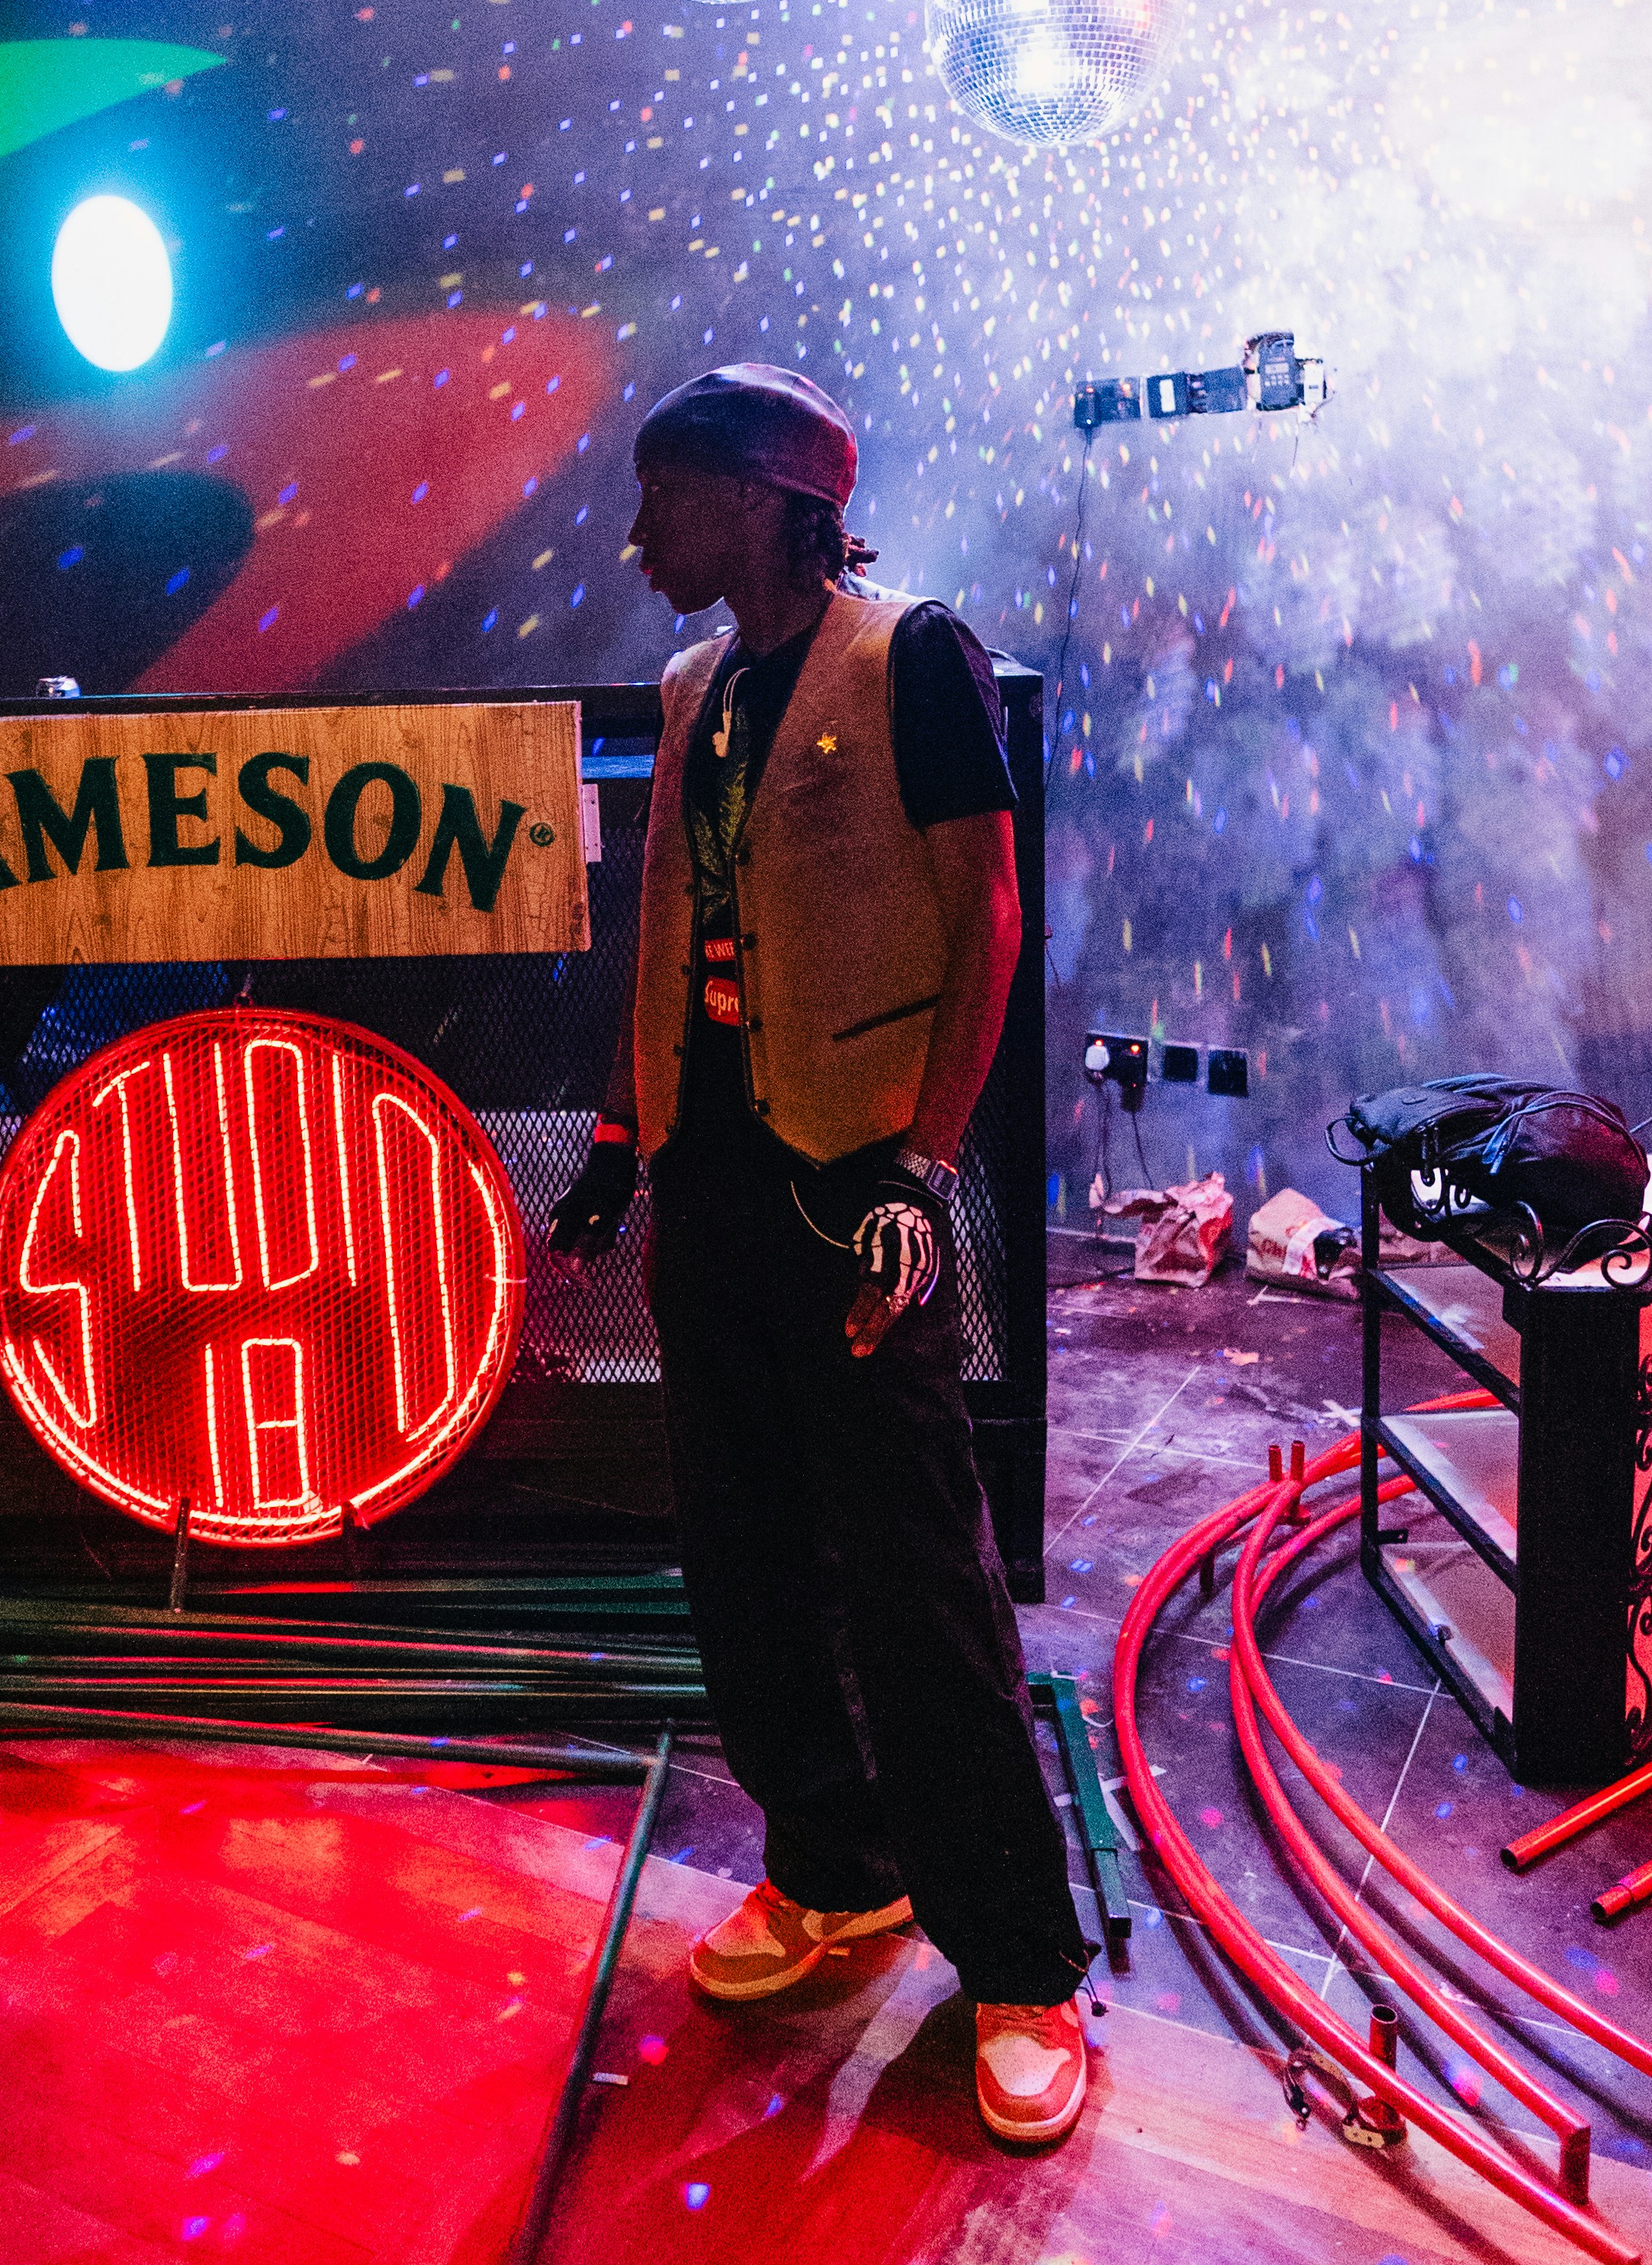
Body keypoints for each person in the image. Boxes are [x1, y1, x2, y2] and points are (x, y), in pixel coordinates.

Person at [550, 361, 1091, 2147]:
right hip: (718, 1179)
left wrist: (925, 1174)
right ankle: (832, 1868)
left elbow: (986, 917)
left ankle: (1015, 1965)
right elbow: (666, 933)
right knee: (745, 1553)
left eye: (665, 497)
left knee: (916, 1577)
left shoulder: (908, 657)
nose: (639, 533)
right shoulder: (695, 685)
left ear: (773, 494)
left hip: (855, 1180)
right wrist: (629, 1143)